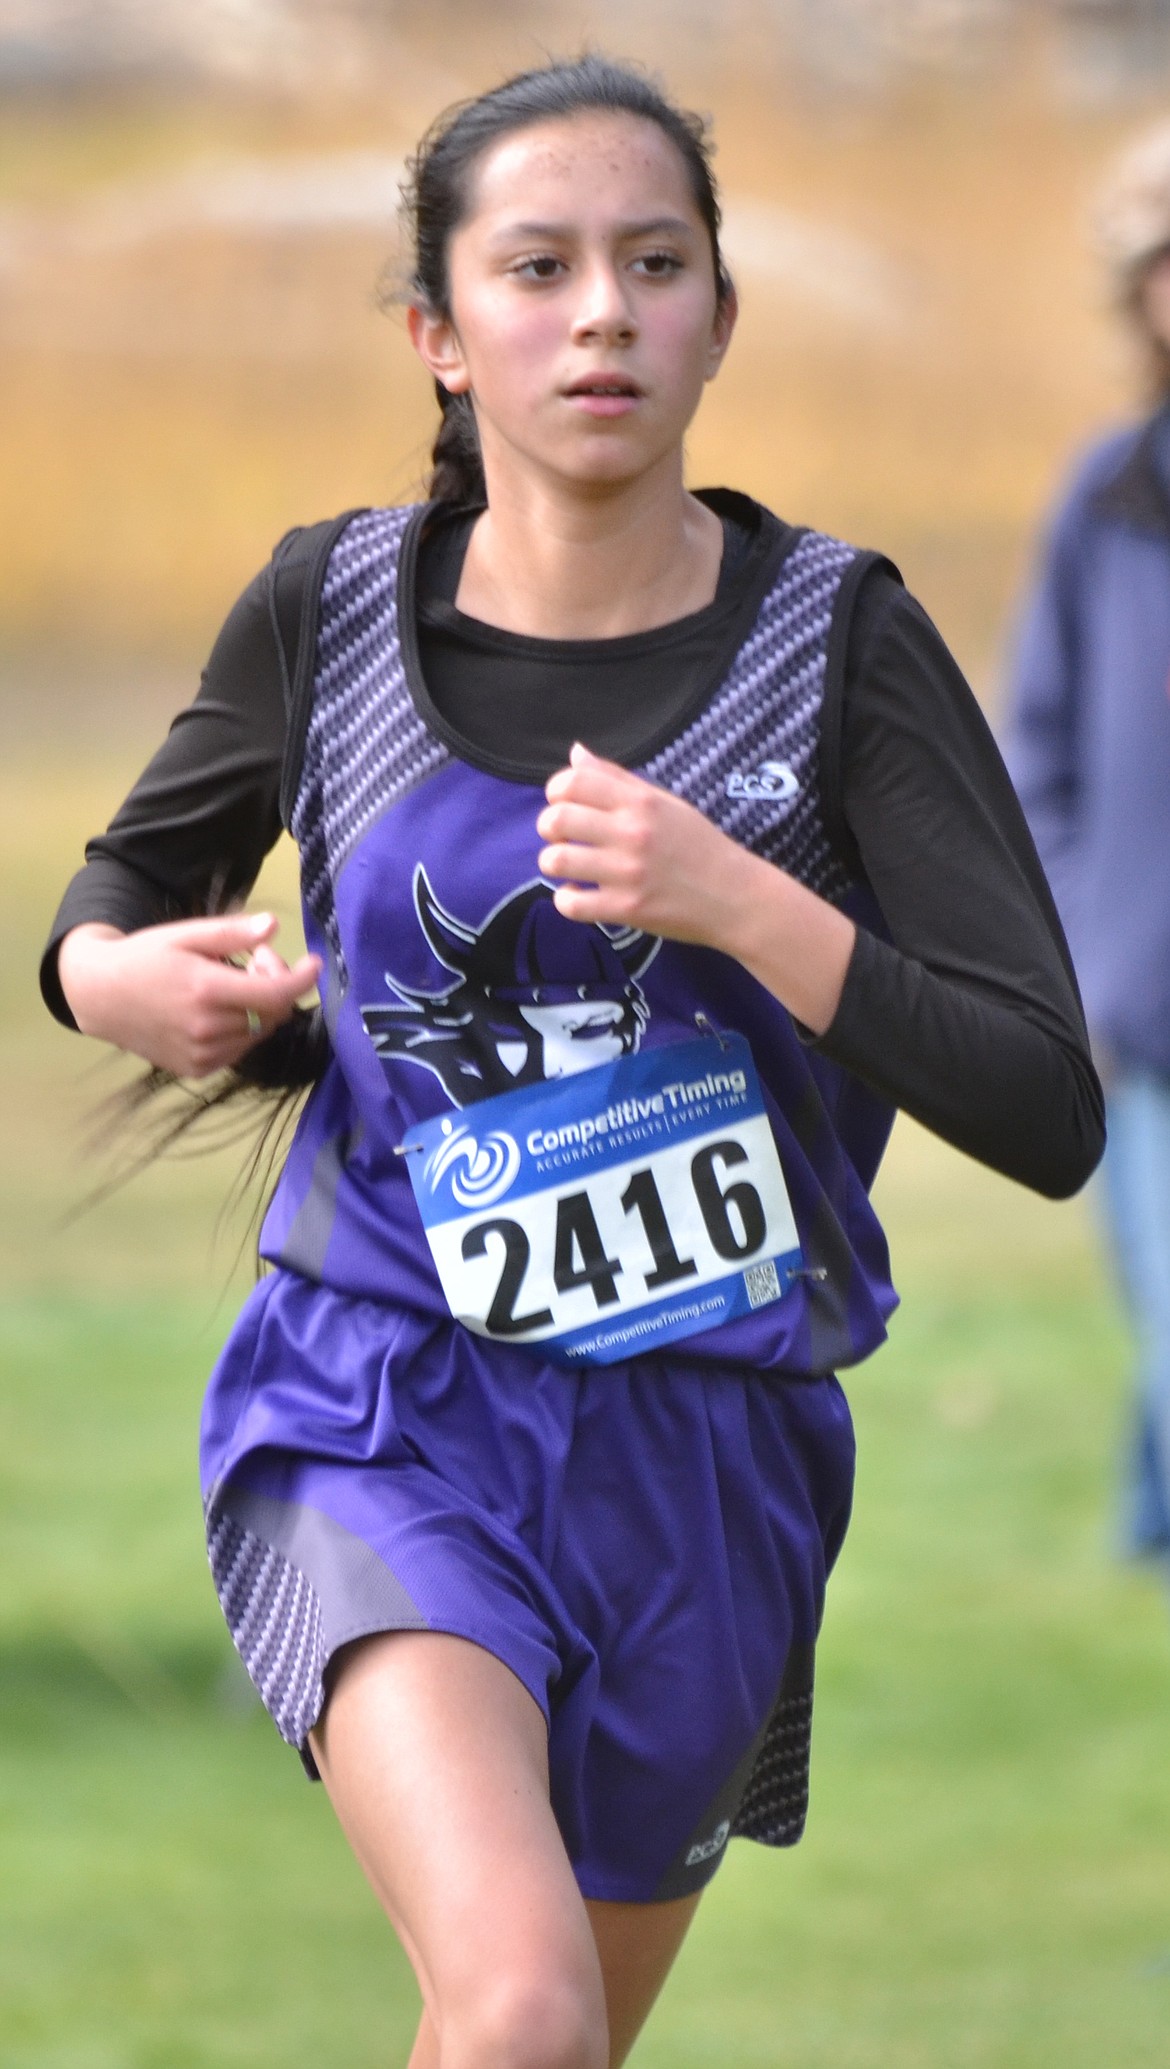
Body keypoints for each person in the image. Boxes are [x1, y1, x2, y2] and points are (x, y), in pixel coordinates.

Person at [42, 57, 1102, 2069]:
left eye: (655, 262)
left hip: (711, 1464)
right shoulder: (329, 609)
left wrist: (741, 901)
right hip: (383, 1407)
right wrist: (118, 982)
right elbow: (107, 905)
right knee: (520, 2008)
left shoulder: (842, 642)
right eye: (538, 268)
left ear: (720, 318)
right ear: (442, 336)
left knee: (539, 2047)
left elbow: (1046, 1108)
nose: (602, 309)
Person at [1005, 119, 1170, 1587]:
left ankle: (1143, 1534)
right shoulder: (1104, 501)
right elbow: (1033, 754)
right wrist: (1083, 953)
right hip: (1146, 1015)